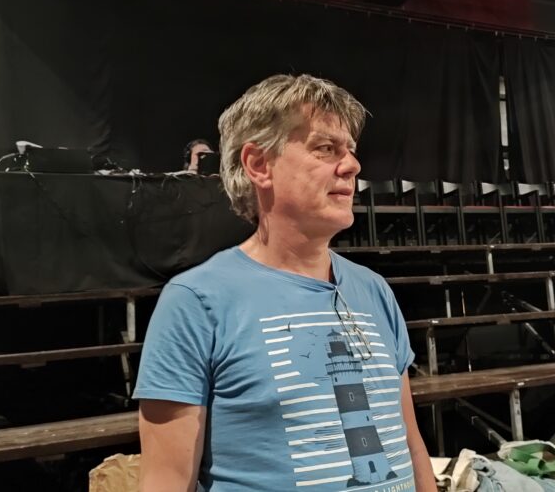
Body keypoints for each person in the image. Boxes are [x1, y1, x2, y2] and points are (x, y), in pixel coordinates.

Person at [134, 74, 437, 492]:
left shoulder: (374, 290)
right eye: (326, 148)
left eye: (350, 150)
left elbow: (410, 444)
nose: (352, 165)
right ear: (259, 165)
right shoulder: (195, 302)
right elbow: (165, 482)